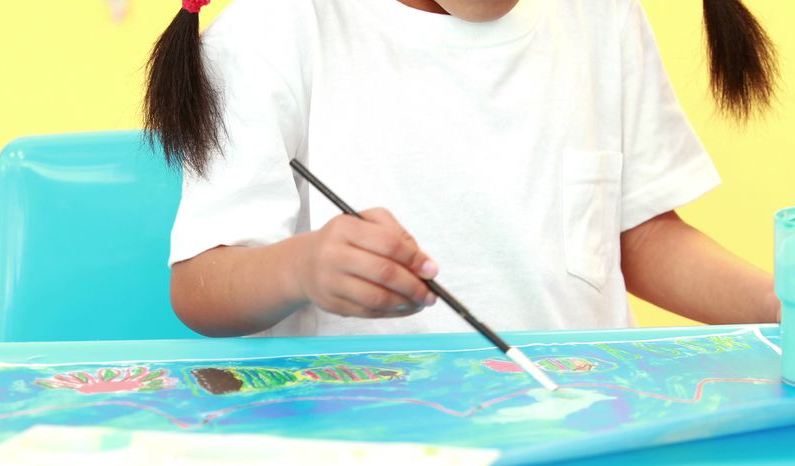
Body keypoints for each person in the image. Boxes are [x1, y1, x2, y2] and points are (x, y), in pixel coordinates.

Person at [145, 0, 782, 338]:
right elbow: (201, 285)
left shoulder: (600, 11)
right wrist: (300, 268)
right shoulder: (274, 28)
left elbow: (637, 236)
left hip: (576, 424)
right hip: (362, 438)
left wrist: (777, 303)